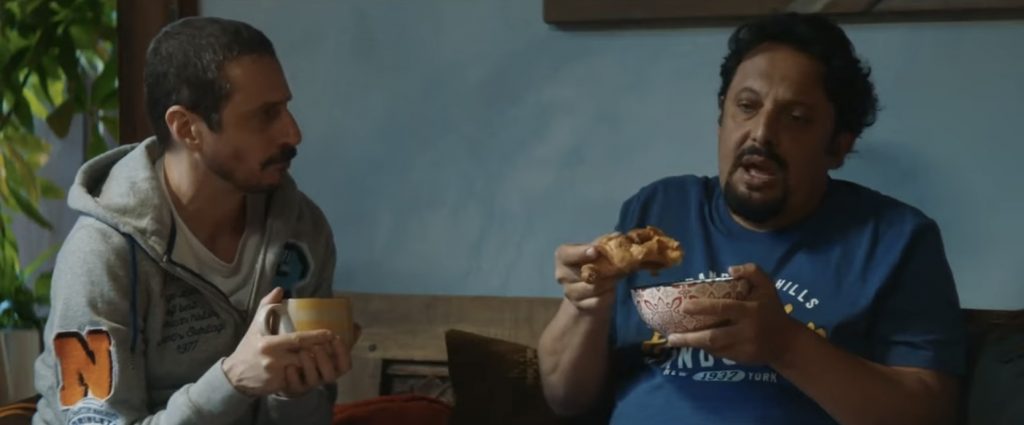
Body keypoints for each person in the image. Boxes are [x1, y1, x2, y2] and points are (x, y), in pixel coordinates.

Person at [538, 13, 966, 425]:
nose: (761, 133)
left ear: (838, 146)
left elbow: (930, 412)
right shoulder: (660, 208)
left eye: (795, 118)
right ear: (721, 119)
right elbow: (564, 397)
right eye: (746, 106)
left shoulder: (895, 239)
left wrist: (786, 345)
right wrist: (586, 306)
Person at [33, 17, 352, 424]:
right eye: (265, 115)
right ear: (187, 129)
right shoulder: (101, 256)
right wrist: (232, 380)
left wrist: (293, 393)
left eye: (286, 107)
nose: (293, 133)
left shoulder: (302, 230)